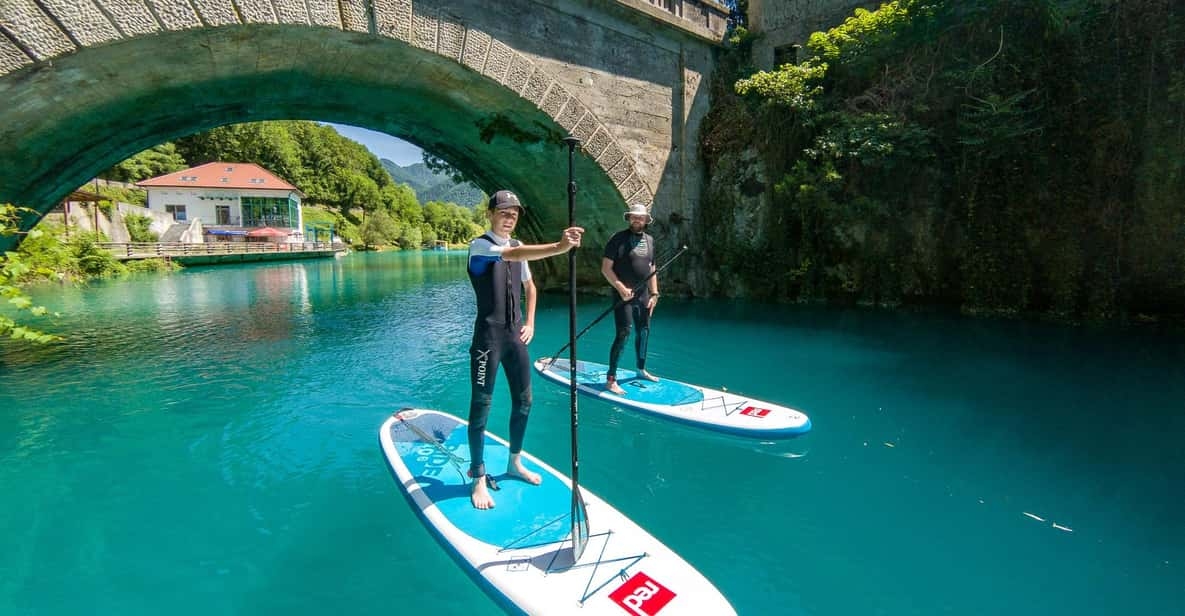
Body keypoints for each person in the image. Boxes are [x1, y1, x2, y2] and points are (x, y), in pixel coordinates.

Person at [466, 189, 583, 510]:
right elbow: (510, 256)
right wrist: (560, 247)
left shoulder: (518, 246)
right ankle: (478, 477)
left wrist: (530, 322)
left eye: (514, 213)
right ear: (490, 214)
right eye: (504, 212)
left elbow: (530, 286)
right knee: (482, 406)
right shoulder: (481, 246)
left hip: (515, 338)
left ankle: (513, 463)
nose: (510, 217)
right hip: (488, 341)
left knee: (525, 401)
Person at [601, 203, 659, 395]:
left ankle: (641, 370)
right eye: (634, 216)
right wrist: (620, 287)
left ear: (645, 221)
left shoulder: (650, 240)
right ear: (629, 218)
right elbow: (606, 268)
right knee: (624, 333)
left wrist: (654, 293)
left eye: (640, 217)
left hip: (643, 296)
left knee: (644, 331)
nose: (637, 220)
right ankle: (611, 380)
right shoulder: (618, 239)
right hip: (623, 294)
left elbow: (652, 268)